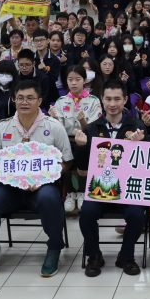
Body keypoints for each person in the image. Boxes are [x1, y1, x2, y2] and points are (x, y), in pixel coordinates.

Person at [0, 80, 72, 277]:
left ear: (39, 101)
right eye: (20, 98)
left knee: (49, 198)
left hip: (42, 186)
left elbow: (67, 162)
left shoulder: (54, 127)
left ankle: (54, 247)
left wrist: (43, 177)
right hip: (9, 188)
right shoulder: (3, 127)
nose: (24, 102)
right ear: (14, 99)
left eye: (30, 98)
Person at [74, 81, 146, 277]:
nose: (112, 104)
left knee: (137, 214)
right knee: (86, 213)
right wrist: (81, 147)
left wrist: (140, 144)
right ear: (102, 100)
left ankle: (126, 256)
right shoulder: (91, 129)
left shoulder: (137, 127)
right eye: (108, 99)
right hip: (100, 189)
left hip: (128, 190)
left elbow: (145, 166)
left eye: (117, 99)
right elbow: (82, 169)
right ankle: (94, 255)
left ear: (125, 100)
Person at [49, 65, 104, 213]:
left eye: (77, 79)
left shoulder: (93, 101)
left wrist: (82, 121)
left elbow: (93, 128)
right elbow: (58, 129)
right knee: (63, 151)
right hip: (66, 139)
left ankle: (81, 192)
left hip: (86, 139)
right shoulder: (61, 101)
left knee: (81, 149)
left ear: (84, 80)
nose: (73, 83)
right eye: (70, 79)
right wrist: (54, 119)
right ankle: (69, 193)